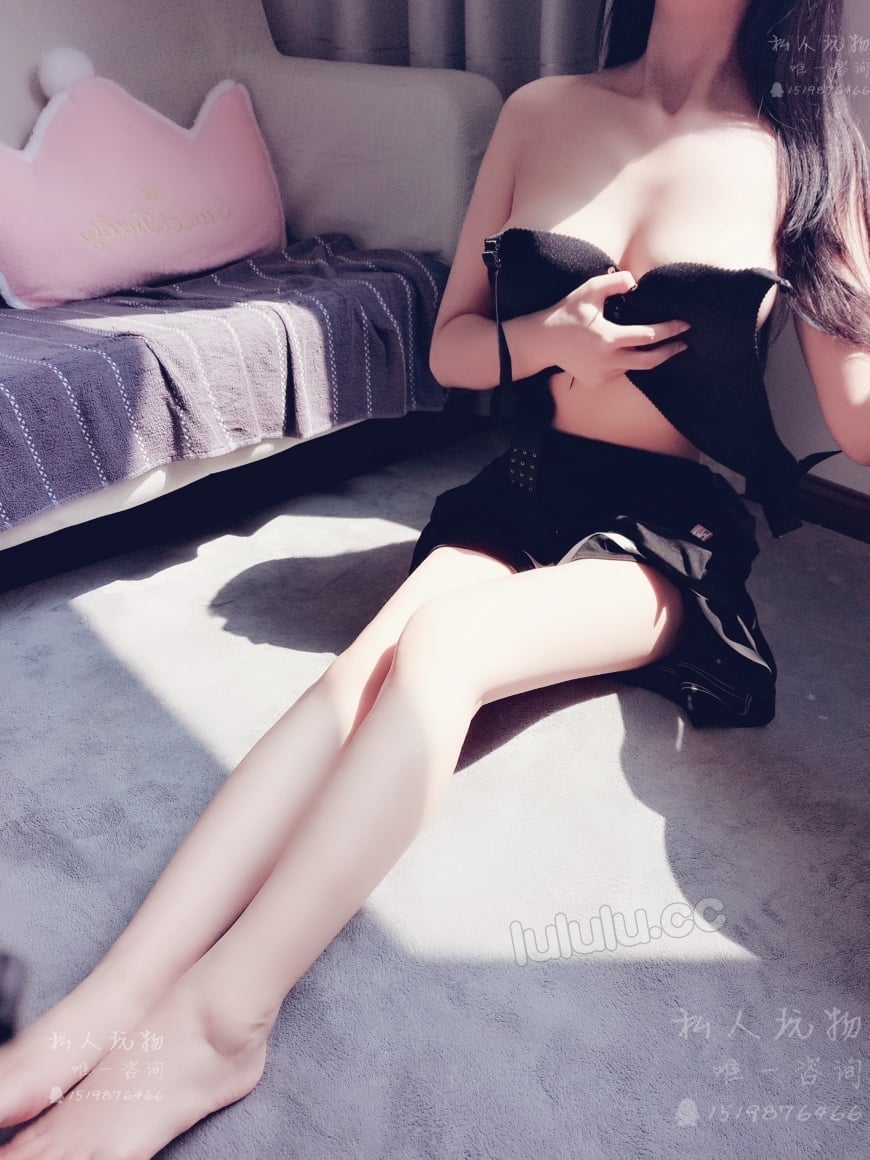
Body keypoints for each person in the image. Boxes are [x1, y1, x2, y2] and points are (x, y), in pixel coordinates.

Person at [1, 1, 868, 1156]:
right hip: (528, 480)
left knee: (445, 648)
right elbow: (450, 346)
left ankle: (222, 1022)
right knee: (360, 672)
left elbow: (856, 416)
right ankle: (102, 1009)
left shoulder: (806, 153)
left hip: (673, 528)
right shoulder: (542, 111)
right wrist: (549, 340)